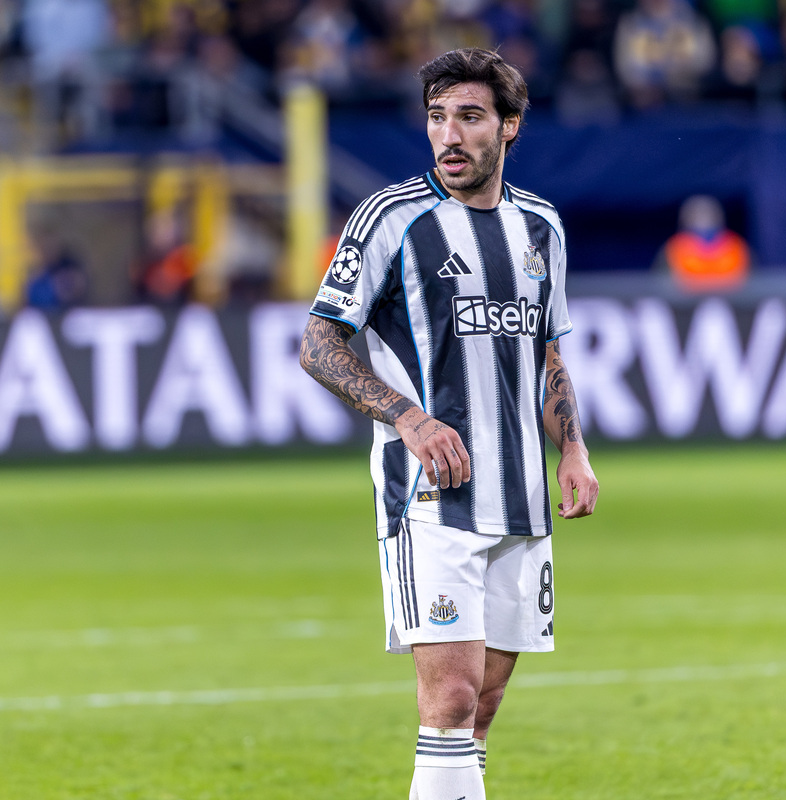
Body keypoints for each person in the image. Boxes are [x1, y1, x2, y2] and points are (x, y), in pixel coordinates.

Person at [300, 48, 599, 800]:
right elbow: (318, 341)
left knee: (483, 708)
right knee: (451, 701)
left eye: (469, 117)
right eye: (437, 118)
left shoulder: (541, 228)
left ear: (510, 126)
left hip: (522, 496)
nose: (450, 136)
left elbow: (548, 350)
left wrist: (574, 450)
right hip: (429, 498)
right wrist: (408, 419)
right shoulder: (391, 217)